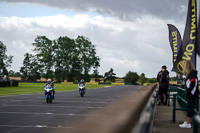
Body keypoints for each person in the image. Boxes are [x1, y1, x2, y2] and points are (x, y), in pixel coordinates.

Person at [179, 60, 199, 128]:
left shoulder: (192, 73)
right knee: (189, 107)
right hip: (191, 94)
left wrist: (188, 91)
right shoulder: (191, 73)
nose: (182, 67)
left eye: (183, 65)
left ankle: (188, 123)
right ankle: (188, 121)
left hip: (192, 94)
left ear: (186, 66)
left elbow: (192, 83)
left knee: (189, 108)